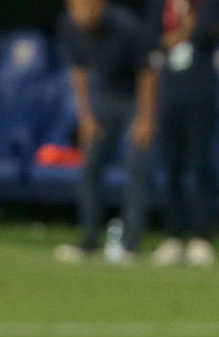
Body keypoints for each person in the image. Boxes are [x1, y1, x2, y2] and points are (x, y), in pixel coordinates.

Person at [54, 0, 160, 264]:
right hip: (105, 98)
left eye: (88, 7)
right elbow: (79, 71)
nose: (82, 14)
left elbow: (147, 72)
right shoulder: (69, 27)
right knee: (89, 167)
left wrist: (146, 119)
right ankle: (89, 242)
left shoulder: (127, 27)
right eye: (76, 7)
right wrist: (85, 117)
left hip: (134, 100)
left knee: (135, 167)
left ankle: (130, 245)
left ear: (101, 5)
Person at [147, 0, 219, 267]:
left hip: (200, 93)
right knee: (172, 168)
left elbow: (205, 32)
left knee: (200, 165)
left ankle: (202, 236)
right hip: (169, 93)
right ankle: (174, 235)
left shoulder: (208, 5)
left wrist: (182, 30)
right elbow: (151, 39)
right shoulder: (159, 5)